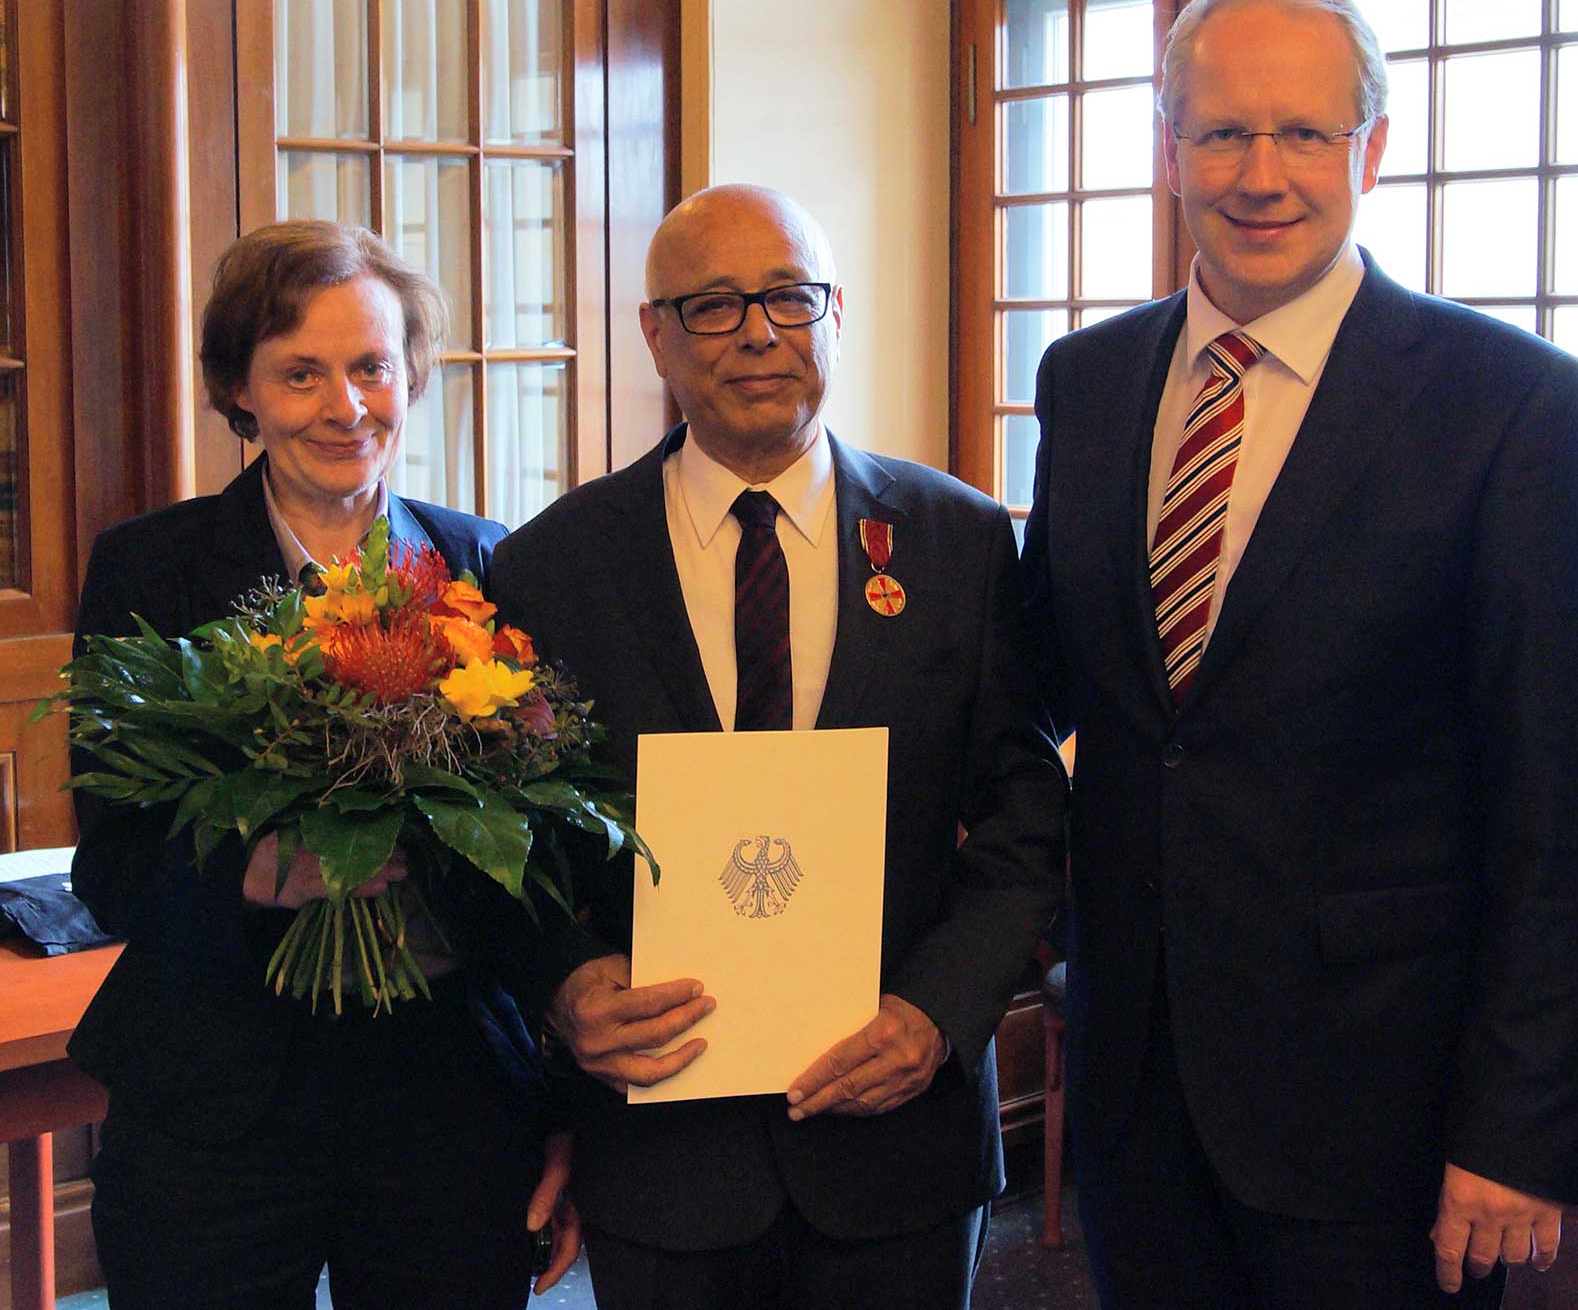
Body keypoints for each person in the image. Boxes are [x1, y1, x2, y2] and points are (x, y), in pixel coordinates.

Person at [1020, 0, 1578, 1310]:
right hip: (1136, 1082)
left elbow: (1562, 807)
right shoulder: (1091, 379)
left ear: (1374, 145)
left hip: (1388, 1113)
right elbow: (1042, 682)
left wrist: (1515, 1132)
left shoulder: (1507, 405)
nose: (1261, 173)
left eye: (1303, 131)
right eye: (1224, 130)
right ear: (1168, 144)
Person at [488, 183, 1066, 1309]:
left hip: (899, 1136)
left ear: (835, 315)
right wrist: (560, 986)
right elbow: (509, 844)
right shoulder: (550, 568)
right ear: (653, 332)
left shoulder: (956, 539)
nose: (758, 332)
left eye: (789, 298)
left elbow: (1025, 818)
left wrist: (936, 1016)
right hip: (660, 1152)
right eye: (711, 305)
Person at [69, 220, 579, 1308]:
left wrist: (570, 1106)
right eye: (301, 373)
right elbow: (111, 863)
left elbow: (545, 871)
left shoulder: (489, 563)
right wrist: (260, 872)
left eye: (371, 368)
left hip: (444, 1098)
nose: (345, 408)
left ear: (409, 375)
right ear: (240, 392)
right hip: (214, 1098)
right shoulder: (148, 571)